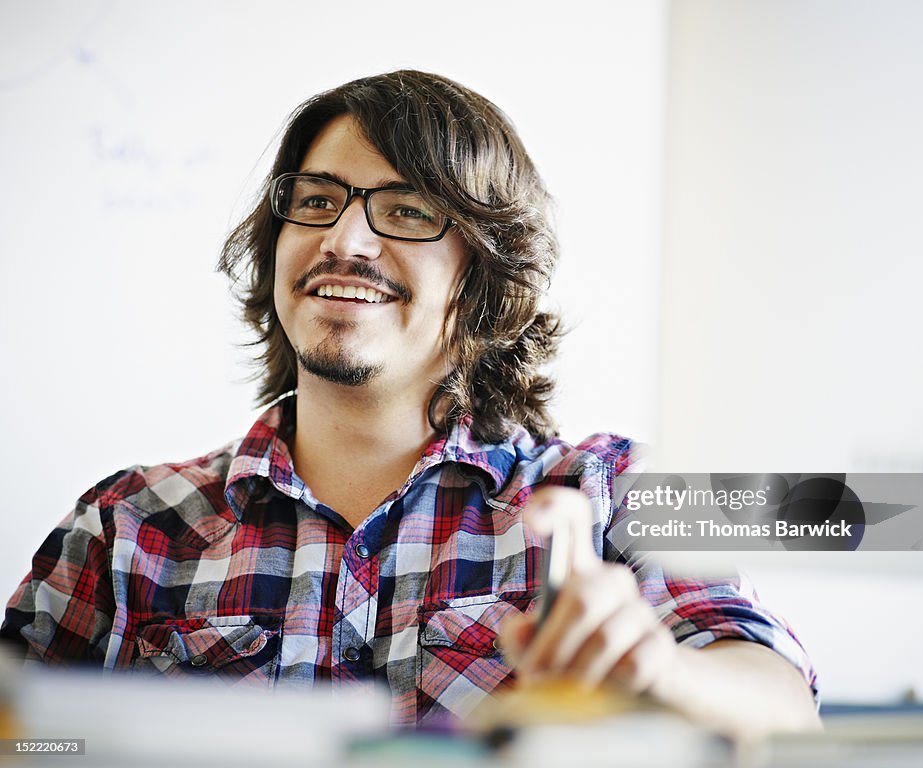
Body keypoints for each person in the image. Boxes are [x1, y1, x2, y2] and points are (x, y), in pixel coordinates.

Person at [1, 70, 819, 736]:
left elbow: (782, 706)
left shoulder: (612, 492)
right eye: (317, 202)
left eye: (406, 212)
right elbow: (25, 739)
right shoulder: (127, 527)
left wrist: (659, 666)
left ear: (488, 281)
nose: (345, 241)